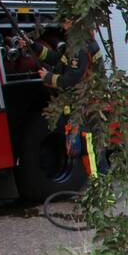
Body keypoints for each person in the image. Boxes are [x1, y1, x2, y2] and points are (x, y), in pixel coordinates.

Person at [25, 17, 105, 176]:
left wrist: (49, 78)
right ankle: (98, 189)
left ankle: (101, 190)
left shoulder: (80, 48)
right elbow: (57, 59)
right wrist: (32, 45)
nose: (64, 25)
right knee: (86, 149)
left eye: (68, 21)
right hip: (85, 106)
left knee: (89, 150)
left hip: (86, 107)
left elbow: (72, 78)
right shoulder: (76, 44)